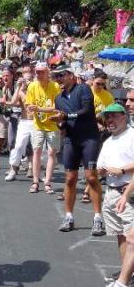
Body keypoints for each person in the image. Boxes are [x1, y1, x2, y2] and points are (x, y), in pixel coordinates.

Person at [50, 65, 105, 235]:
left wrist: (66, 117)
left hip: (89, 138)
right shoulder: (58, 98)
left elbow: (87, 111)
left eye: (61, 75)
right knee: (69, 179)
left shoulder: (83, 89)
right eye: (56, 77)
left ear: (71, 75)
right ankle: (68, 217)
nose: (58, 79)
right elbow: (64, 122)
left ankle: (98, 218)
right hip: (71, 139)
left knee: (91, 177)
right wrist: (59, 123)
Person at [96, 104, 134, 287]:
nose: (109, 120)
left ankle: (124, 281)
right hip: (111, 192)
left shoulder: (132, 135)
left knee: (132, 238)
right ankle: (127, 272)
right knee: (120, 235)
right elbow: (100, 167)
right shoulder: (108, 141)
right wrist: (101, 171)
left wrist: (121, 169)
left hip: (128, 190)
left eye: (113, 116)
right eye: (107, 117)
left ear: (124, 117)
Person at [25, 62, 61, 194]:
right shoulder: (32, 86)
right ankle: (35, 181)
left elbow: (58, 107)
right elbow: (28, 104)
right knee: (37, 151)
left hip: (52, 124)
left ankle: (47, 182)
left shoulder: (55, 86)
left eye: (41, 72)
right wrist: (30, 107)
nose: (38, 74)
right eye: (37, 72)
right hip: (38, 124)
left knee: (51, 153)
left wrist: (39, 108)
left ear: (47, 72)